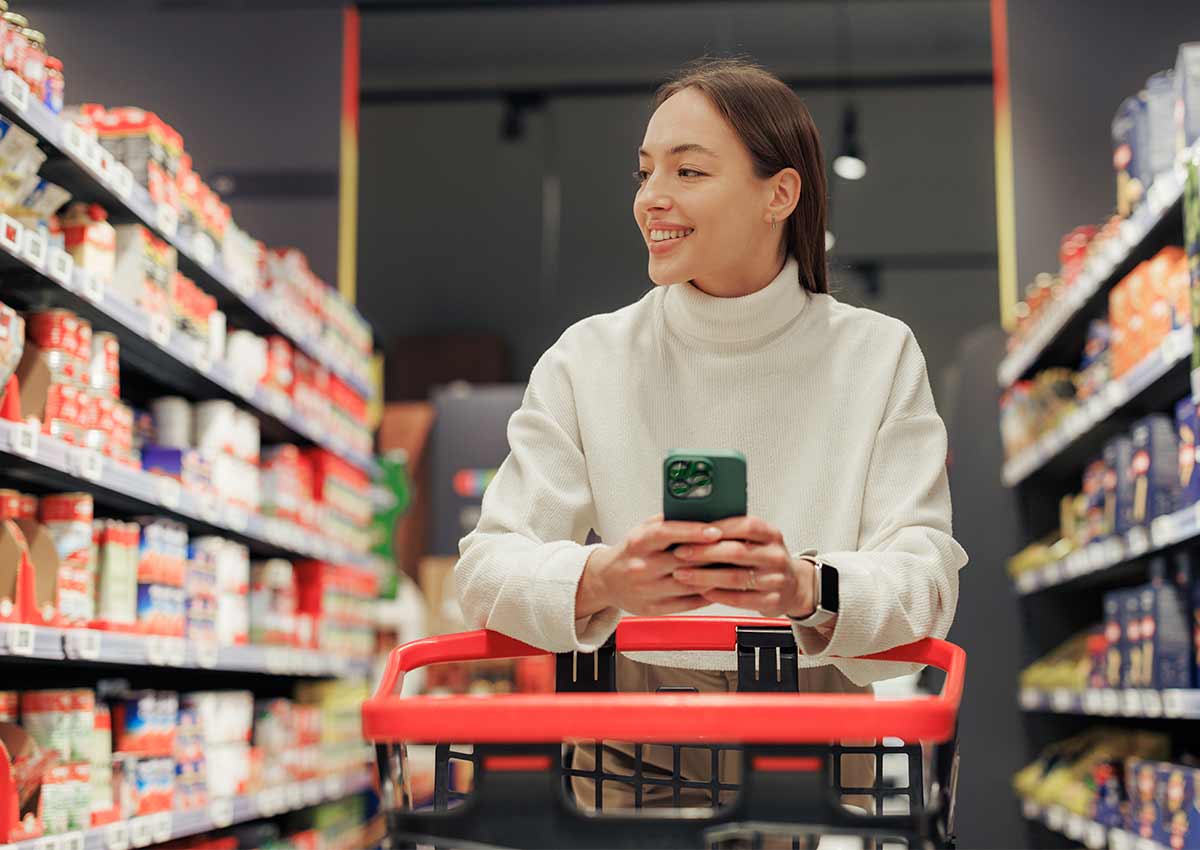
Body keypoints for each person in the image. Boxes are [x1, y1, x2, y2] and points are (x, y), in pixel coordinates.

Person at [454, 56, 969, 812]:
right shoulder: (587, 358)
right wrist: (605, 578)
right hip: (626, 739)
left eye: (688, 172)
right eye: (643, 173)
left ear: (780, 194)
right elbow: (482, 571)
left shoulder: (876, 355)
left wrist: (804, 586)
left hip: (818, 741)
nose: (651, 200)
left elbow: (927, 577)